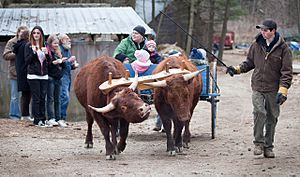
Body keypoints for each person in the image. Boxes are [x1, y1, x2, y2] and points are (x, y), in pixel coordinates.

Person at [226, 20, 293, 158]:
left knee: (272, 117)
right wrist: (237, 69)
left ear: (273, 31)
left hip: (274, 88)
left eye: (265, 30)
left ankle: (268, 147)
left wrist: (283, 91)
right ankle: (258, 143)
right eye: (261, 30)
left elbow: (286, 72)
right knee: (259, 112)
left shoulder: (284, 49)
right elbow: (249, 63)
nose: (262, 32)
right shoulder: (256, 45)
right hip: (257, 86)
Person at [24, 26, 52, 127]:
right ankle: (37, 120)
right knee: (36, 98)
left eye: (38, 33)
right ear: (32, 35)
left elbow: (49, 62)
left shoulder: (45, 45)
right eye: (34, 33)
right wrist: (34, 52)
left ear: (41, 35)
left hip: (44, 75)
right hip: (33, 76)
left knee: (43, 97)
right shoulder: (28, 46)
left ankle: (43, 119)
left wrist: (47, 54)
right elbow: (27, 61)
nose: (36, 35)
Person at [2, 26, 28, 121]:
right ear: (18, 32)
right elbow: (5, 55)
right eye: (21, 33)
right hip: (14, 73)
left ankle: (24, 115)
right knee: (14, 96)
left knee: (25, 96)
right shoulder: (11, 42)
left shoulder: (27, 43)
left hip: (25, 72)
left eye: (24, 33)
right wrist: (17, 53)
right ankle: (14, 116)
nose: (22, 35)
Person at [13, 26, 33, 122]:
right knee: (27, 94)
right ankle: (25, 115)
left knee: (25, 94)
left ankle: (24, 114)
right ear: (28, 36)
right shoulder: (26, 45)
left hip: (20, 72)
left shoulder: (18, 45)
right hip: (26, 72)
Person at [58, 34, 77, 128]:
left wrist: (73, 66)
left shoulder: (67, 50)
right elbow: (59, 62)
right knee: (64, 97)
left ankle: (63, 118)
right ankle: (60, 118)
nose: (69, 40)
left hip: (68, 76)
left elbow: (67, 65)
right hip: (61, 76)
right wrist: (69, 61)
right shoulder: (59, 49)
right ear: (62, 40)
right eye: (67, 39)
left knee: (65, 97)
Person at [46, 34, 65, 127]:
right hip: (50, 77)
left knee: (58, 99)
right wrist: (53, 63)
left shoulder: (58, 52)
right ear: (50, 43)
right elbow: (46, 65)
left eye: (57, 43)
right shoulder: (47, 52)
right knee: (50, 99)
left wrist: (63, 61)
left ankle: (58, 118)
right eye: (54, 43)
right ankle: (50, 118)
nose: (56, 45)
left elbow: (62, 67)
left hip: (58, 78)